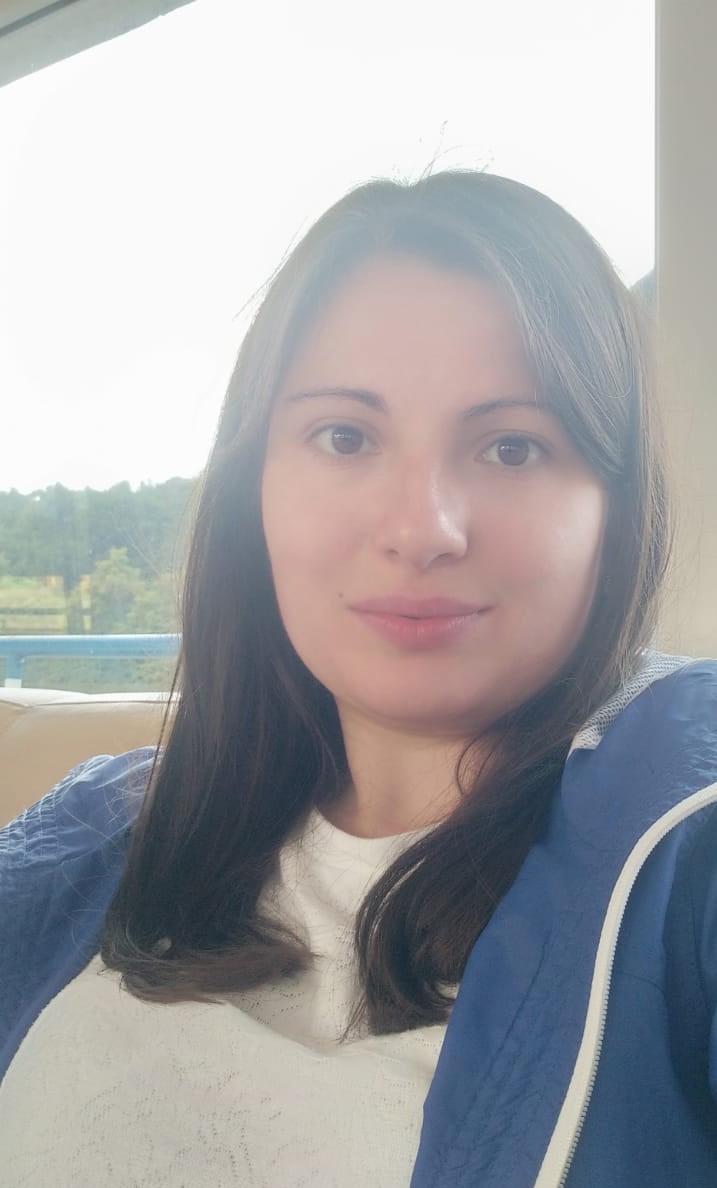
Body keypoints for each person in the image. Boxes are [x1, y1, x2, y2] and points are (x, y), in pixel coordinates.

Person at [1, 170, 717, 1188]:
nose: (420, 529)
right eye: (344, 437)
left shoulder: (690, 852)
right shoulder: (97, 834)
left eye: (513, 447)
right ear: (255, 487)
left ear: (614, 506)